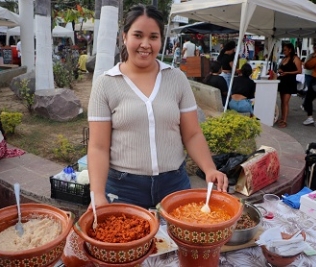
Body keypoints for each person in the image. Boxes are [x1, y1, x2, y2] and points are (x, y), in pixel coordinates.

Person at [87, 4, 228, 209]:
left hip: (174, 184)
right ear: (124, 37)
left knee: (178, 241)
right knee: (128, 240)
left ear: (161, 41)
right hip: (123, 188)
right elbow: (98, 146)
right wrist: (97, 194)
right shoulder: (105, 84)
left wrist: (209, 169)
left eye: (153, 37)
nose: (145, 44)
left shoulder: (176, 79)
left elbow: (192, 134)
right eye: (138, 35)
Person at [276, 43, 302, 128]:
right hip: (282, 81)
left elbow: (299, 71)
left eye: (285, 50)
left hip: (290, 81)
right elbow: (281, 68)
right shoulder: (284, 59)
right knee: (282, 101)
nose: (284, 51)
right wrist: (280, 70)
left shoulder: (295, 58)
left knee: (286, 102)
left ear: (290, 50)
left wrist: (287, 73)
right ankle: (282, 117)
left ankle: (285, 120)